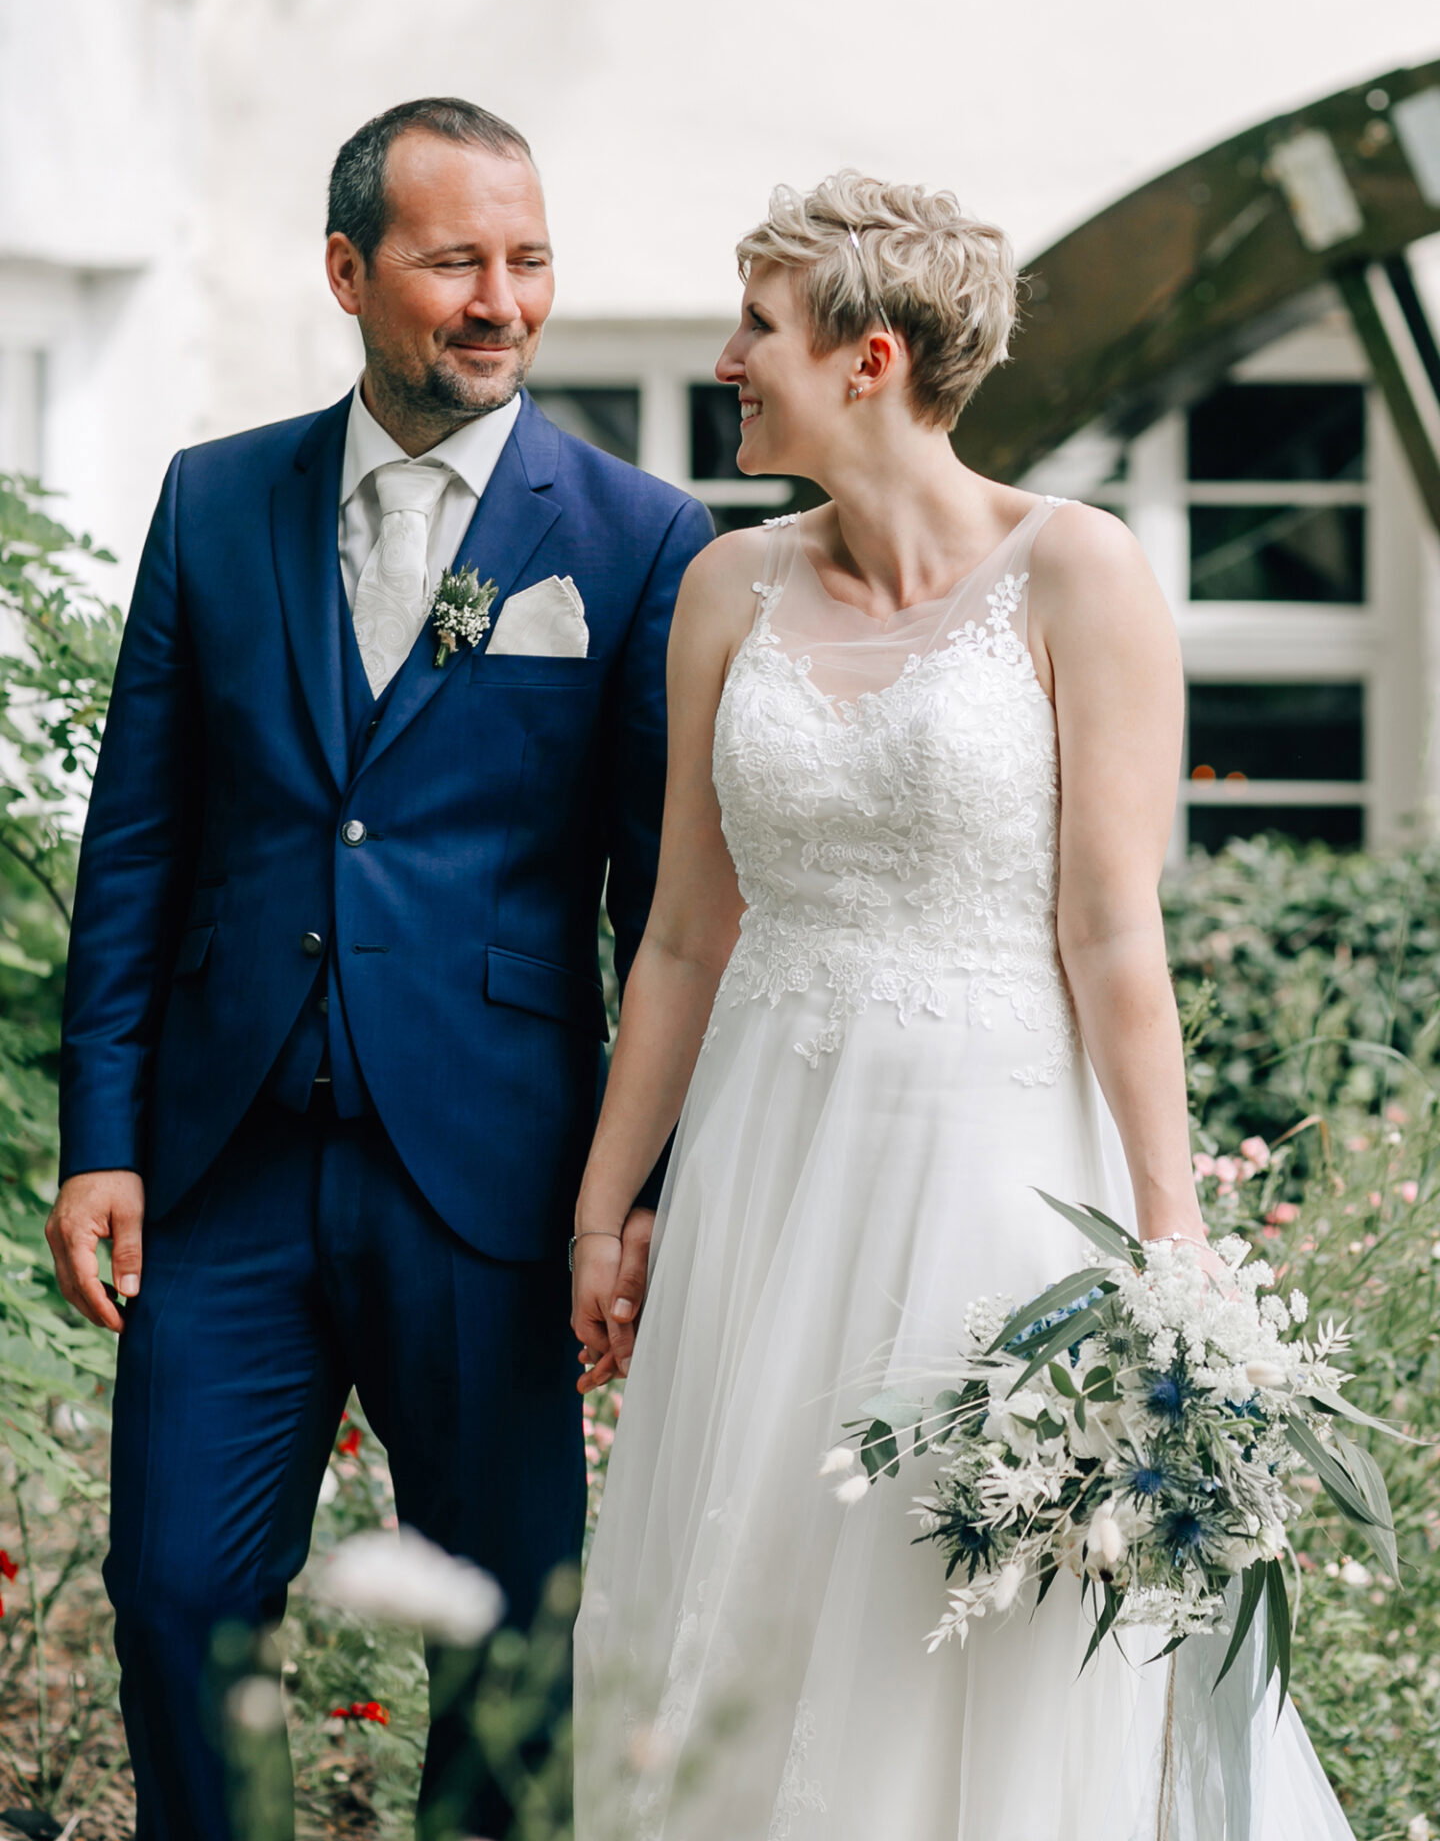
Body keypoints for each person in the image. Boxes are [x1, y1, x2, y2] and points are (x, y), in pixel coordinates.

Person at [570, 173, 1356, 1838]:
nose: (728, 359)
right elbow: (688, 939)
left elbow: (1112, 937)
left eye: (756, 329)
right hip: (766, 1156)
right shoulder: (728, 590)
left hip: (988, 1158)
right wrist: (606, 1207)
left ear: (868, 359)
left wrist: (1172, 1247)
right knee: (761, 1566)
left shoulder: (1079, 573)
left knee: (949, 1587)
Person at [47, 96, 711, 1840]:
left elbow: (669, 918)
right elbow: (140, 844)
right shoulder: (213, 500)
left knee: (505, 1637)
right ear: (349, 271)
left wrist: (643, 1193)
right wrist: (99, 1141)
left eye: (530, 259)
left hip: (494, 1175)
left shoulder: (638, 541)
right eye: (454, 261)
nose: (503, 300)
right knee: (178, 1594)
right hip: (225, 1164)